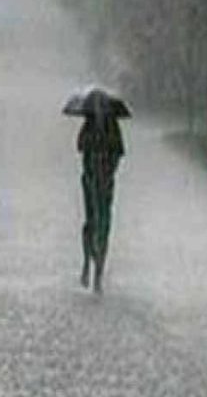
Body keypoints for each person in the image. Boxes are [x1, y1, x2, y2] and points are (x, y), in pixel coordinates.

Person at [77, 111, 124, 293]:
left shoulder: (113, 126)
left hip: (105, 182)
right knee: (91, 222)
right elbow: (80, 146)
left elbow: (119, 153)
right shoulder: (89, 124)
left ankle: (98, 272)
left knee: (104, 224)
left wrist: (109, 170)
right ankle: (87, 264)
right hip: (90, 181)